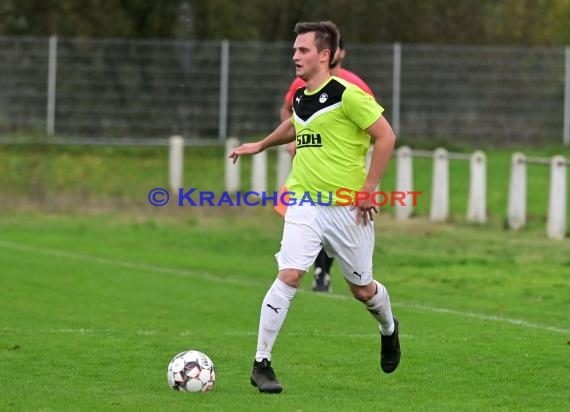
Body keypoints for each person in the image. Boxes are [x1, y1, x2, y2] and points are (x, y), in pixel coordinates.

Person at [229, 21, 400, 394]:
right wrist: (260, 144)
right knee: (290, 274)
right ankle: (261, 363)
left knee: (363, 290)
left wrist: (370, 188)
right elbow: (295, 124)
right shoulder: (302, 95)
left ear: (325, 55)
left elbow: (386, 136)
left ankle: (388, 328)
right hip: (304, 202)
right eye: (294, 50)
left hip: (346, 210)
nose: (295, 56)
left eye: (302, 50)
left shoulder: (349, 95)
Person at [277, 37, 376, 294]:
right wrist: (295, 138)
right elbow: (288, 111)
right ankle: (315, 270)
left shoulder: (355, 87)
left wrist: (368, 184)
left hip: (344, 173)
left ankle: (325, 270)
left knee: (360, 282)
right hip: (309, 170)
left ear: (337, 52)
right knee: (306, 215)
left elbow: (376, 126)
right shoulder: (302, 83)